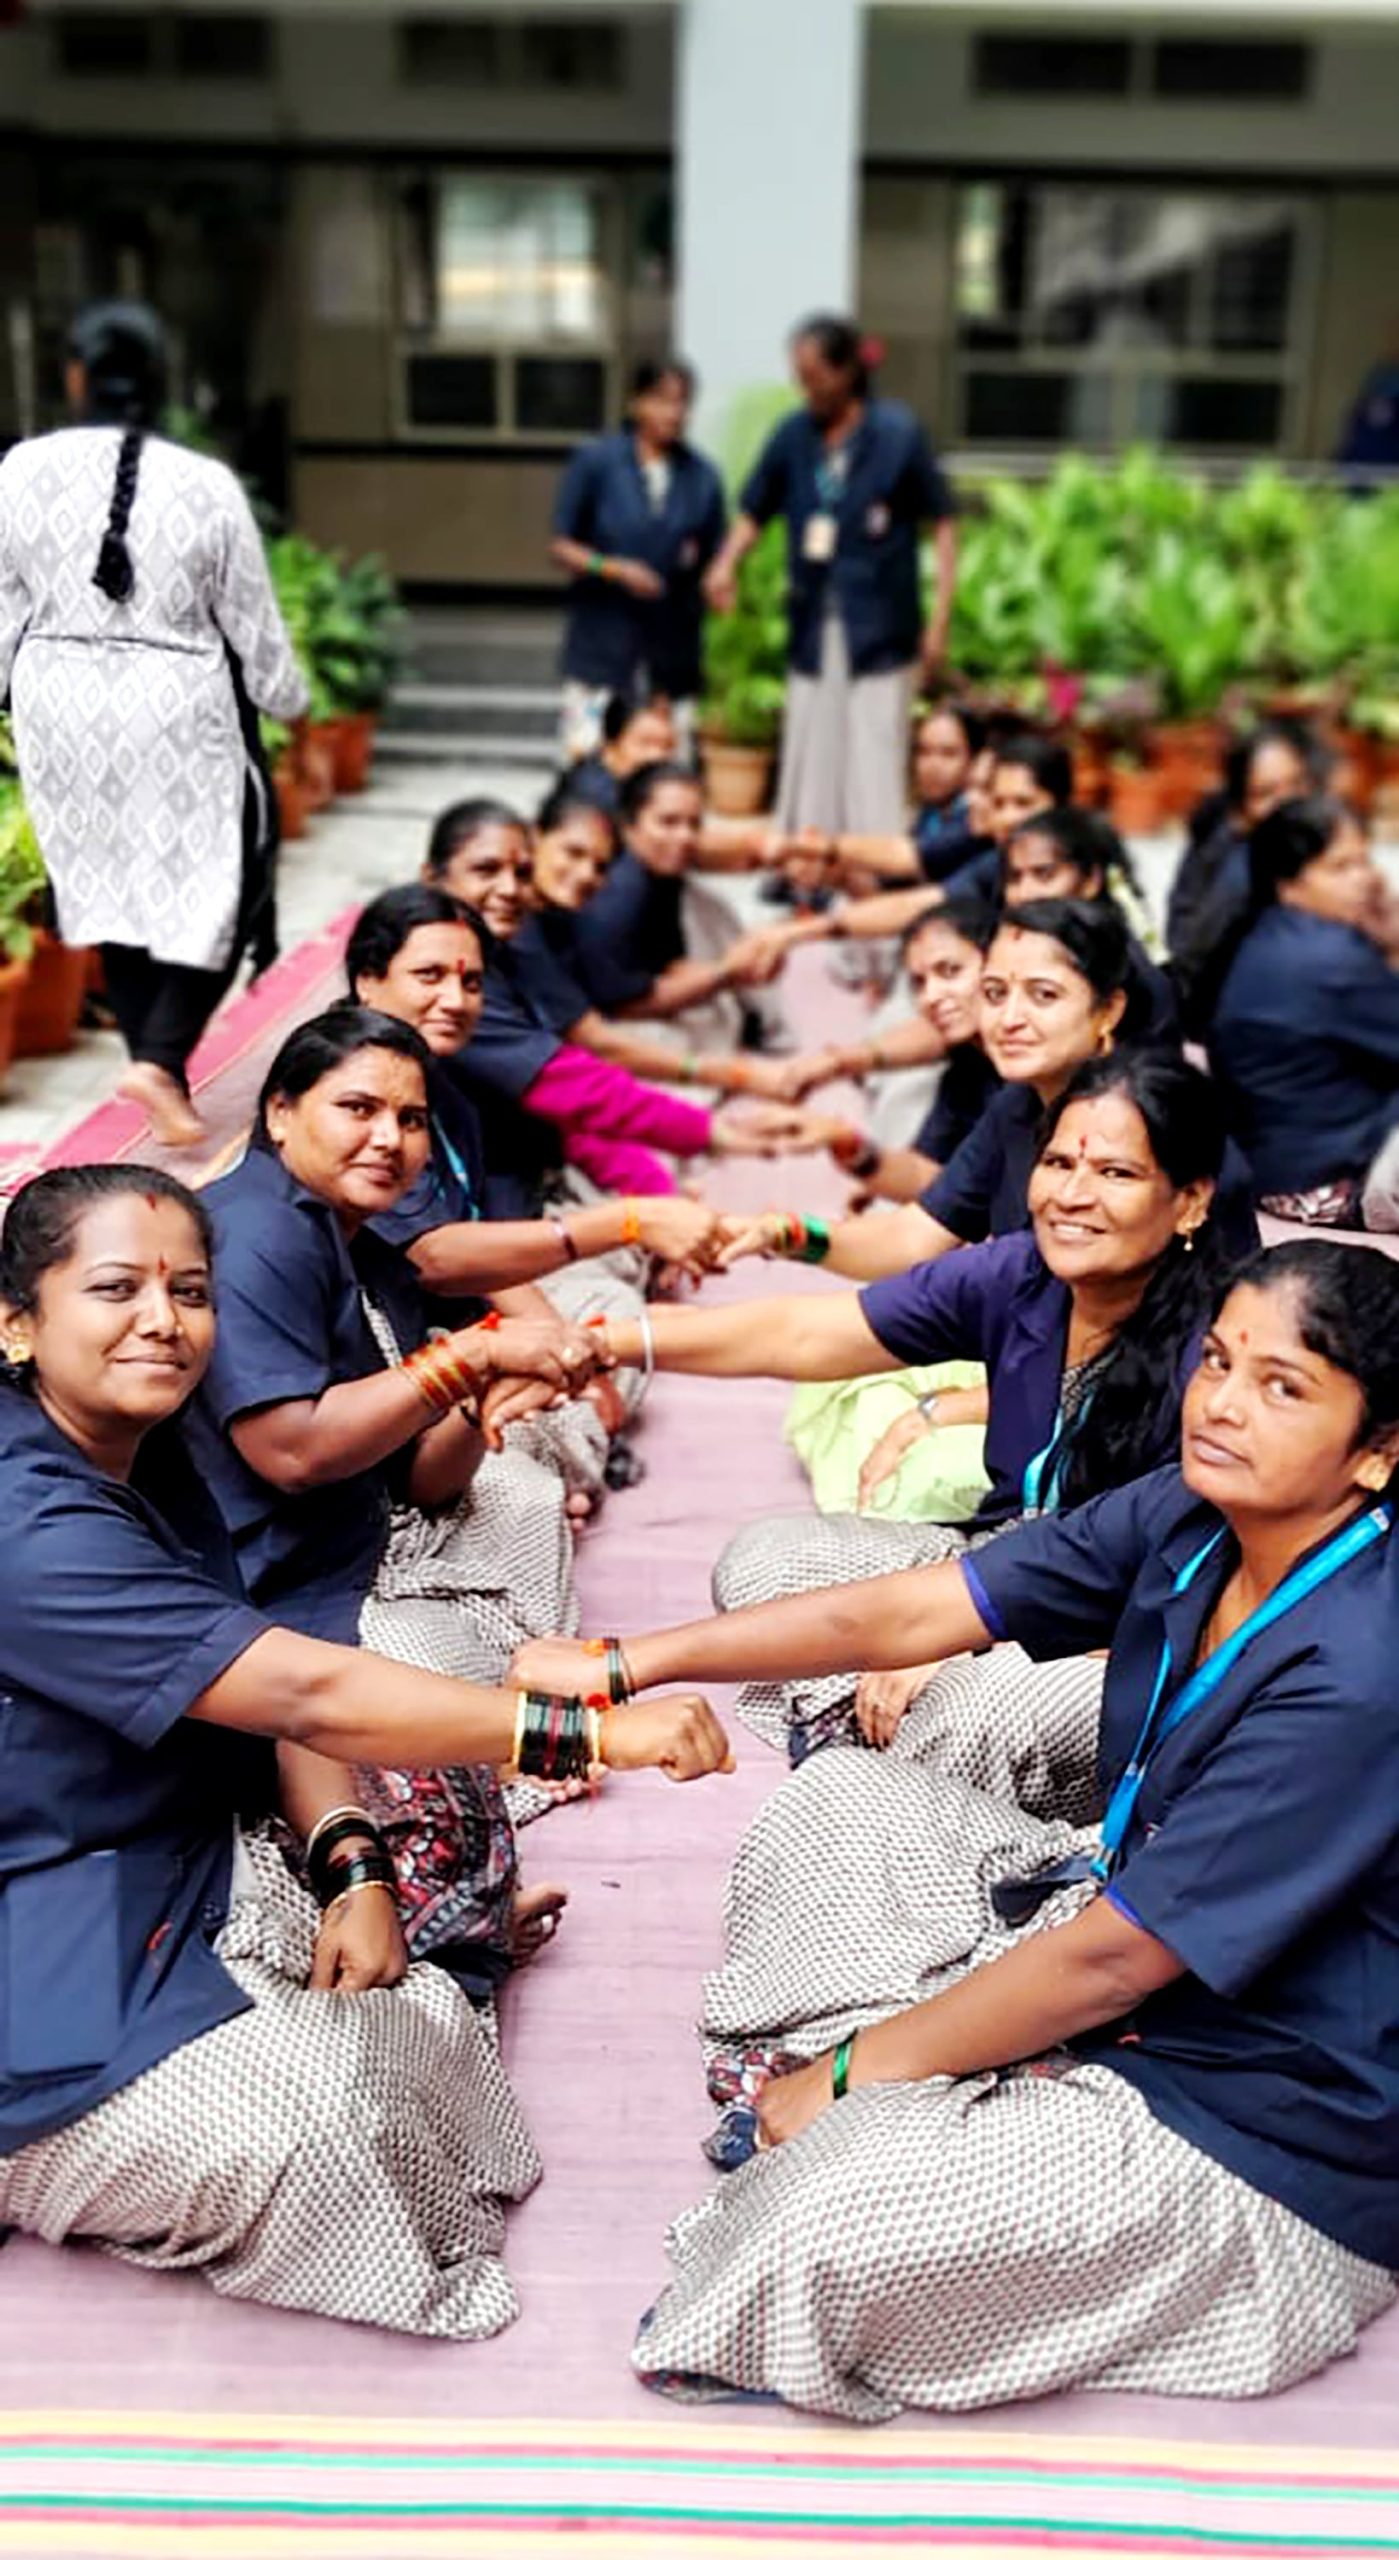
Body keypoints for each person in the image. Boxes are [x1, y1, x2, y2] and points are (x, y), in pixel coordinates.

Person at [518, 1241, 1399, 2420]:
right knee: (839, 1805)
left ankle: (878, 2105)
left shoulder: (1358, 1664)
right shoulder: (1194, 1507)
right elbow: (918, 1603)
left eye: (1282, 1387)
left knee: (816, 2231)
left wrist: (846, 2070)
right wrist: (627, 1663)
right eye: (1218, 1363)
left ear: (1379, 1448)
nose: (1223, 1405)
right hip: (1125, 1939)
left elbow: (1117, 1957)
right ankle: (911, 2089)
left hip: (1271, 2108)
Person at [0, 1162, 729, 2339]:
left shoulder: (139, 1441)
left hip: (169, 1853)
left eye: (188, 1292)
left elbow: (268, 1665)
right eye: (117, 1288)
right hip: (42, 1919)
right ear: (17, 1321)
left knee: (425, 2022)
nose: (162, 1320)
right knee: (325, 2139)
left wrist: (353, 1863)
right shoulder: (25, 1516)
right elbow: (301, 1682)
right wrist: (587, 1729)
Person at [604, 1052, 1226, 1760]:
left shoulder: (1221, 1355)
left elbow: (1196, 1601)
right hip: (997, 1562)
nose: (1072, 1196)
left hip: (1120, 1631)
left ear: (1190, 1201)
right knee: (766, 1563)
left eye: (1115, 1174)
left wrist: (967, 1642)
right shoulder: (1021, 1271)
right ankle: (894, 1736)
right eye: (1057, 1165)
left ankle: (917, 1759)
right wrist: (596, 1344)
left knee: (972, 1714)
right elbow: (803, 1333)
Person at [182, 1008, 614, 1966]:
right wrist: (473, 1354)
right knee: (432, 1662)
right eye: (358, 1108)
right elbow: (291, 1453)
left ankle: (456, 1894)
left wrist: (484, 1396)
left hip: (350, 1545)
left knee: (517, 1503)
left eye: (411, 1120)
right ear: (281, 1112)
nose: (389, 1137)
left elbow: (419, 1478)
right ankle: (431, 1912)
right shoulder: (257, 1235)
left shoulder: (333, 1230)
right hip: (272, 1586)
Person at [0, 301, 307, 1149]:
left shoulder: (19, 470)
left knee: (119, 888)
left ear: (75, 377)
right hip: (173, 701)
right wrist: (287, 699)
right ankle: (162, 1056)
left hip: (56, 702)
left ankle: (158, 1070)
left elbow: (1, 607)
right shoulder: (203, 483)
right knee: (218, 882)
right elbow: (250, 622)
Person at [346, 882, 722, 1499]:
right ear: (367, 980)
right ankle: (557, 1470)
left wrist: (559, 1343)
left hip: (465, 1316)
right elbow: (433, 1256)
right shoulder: (354, 1089)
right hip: (386, 1351)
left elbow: (485, 1245)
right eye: (429, 976)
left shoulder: (446, 1086)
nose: (455, 999)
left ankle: (562, 1457)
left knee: (606, 1327)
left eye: (470, 983)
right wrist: (624, 1221)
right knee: (521, 1443)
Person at [422, 798, 814, 1206]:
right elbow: (575, 1076)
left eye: (521, 873)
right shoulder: (456, 975)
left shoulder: (509, 938)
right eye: (486, 870)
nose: (508, 889)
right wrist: (725, 1104)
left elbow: (558, 1095)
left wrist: (657, 1185)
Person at [704, 315, 957, 838]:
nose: (806, 388)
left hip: (882, 621)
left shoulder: (898, 433)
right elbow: (755, 508)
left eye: (814, 375)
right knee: (811, 742)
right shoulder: (793, 435)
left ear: (846, 373)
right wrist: (725, 564)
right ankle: (808, 859)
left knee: (875, 744)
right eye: (799, 376)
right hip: (814, 615)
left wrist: (939, 621)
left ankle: (871, 859)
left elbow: (944, 523)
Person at [514, 781, 796, 1102]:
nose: (585, 874)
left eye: (599, 866)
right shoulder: (528, 924)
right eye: (573, 853)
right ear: (535, 838)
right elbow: (600, 1035)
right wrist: (738, 1074)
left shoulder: (562, 908)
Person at [1204, 797, 1399, 1228]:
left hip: (1285, 1172)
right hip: (1339, 1180)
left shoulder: (1270, 937)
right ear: (1287, 884)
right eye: (1340, 867)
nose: (1366, 880)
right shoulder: (1328, 959)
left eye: (1364, 861)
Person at [550, 358, 725, 759]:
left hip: (671, 645)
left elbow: (714, 557)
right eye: (662, 401)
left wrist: (717, 583)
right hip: (602, 640)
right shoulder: (597, 463)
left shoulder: (701, 476)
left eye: (682, 403)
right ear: (636, 403)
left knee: (663, 770)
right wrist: (611, 569)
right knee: (589, 763)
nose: (673, 413)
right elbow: (561, 546)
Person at [569, 760, 790, 1054]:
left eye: (693, 824)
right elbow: (625, 1007)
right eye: (668, 822)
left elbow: (668, 959)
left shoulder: (661, 871)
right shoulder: (618, 896)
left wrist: (740, 969)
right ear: (629, 825)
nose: (685, 836)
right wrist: (725, 972)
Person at [1166, 721, 1330, 1005]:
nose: (1286, 803)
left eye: (1297, 784)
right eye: (1265, 793)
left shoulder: (1323, 838)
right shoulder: (1238, 872)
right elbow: (1194, 962)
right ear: (1240, 809)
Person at [1001, 807, 1176, 1039]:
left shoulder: (1123, 969)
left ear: (1091, 881)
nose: (1024, 893)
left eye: (1044, 875)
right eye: (1014, 878)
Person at [565, 692, 677, 817]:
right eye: (646, 743)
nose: (658, 756)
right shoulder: (590, 800)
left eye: (668, 746)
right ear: (610, 746)